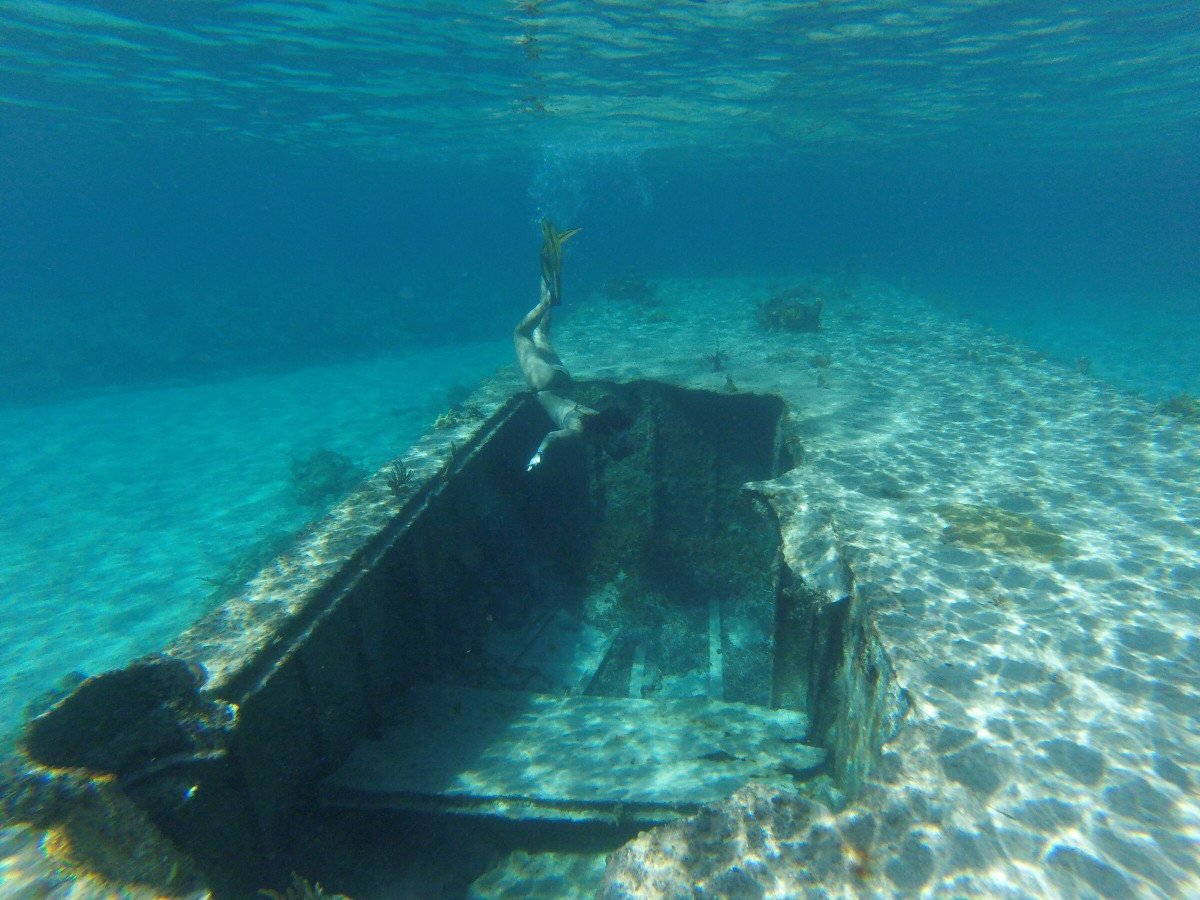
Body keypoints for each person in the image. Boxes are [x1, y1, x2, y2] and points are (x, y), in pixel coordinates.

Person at [514, 219, 599, 471]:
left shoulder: (594, 417)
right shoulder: (578, 431)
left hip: (562, 378)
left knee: (539, 333)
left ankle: (548, 294)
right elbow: (552, 437)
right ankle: (545, 301)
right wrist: (538, 455)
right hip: (543, 385)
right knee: (520, 333)